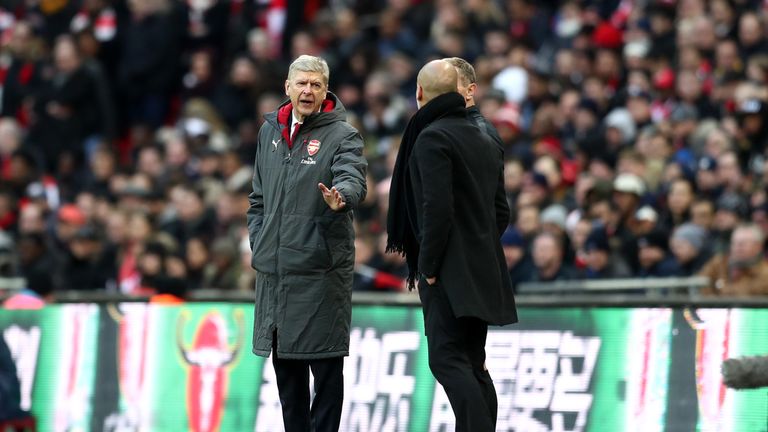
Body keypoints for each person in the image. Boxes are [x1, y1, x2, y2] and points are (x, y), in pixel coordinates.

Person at [386, 59, 517, 431]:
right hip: (483, 266)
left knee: (446, 359)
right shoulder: (486, 132)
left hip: (446, 270)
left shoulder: (432, 137)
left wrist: (428, 266)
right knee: (473, 361)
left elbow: (436, 211)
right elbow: (500, 211)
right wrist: (478, 245)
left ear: (419, 94)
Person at [246, 55, 367, 432]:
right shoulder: (269, 133)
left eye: (316, 84)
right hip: (277, 275)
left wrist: (341, 197)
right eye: (302, 84)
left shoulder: (342, 135)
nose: (308, 91)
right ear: (287, 87)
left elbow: (353, 177)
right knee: (288, 383)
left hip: (319, 274)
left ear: (325, 90)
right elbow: (257, 201)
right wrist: (261, 242)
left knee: (326, 375)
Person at [699, 223, 768, 296]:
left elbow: (746, 295)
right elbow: (699, 283)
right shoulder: (719, 262)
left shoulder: (764, 272)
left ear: (758, 247)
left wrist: (721, 289)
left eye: (742, 244)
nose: (737, 247)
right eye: (734, 243)